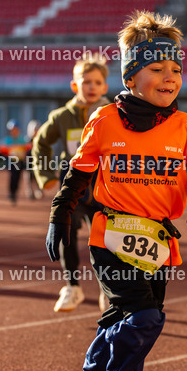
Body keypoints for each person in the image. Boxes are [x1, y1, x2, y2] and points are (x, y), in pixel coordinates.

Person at [47, 10, 187, 371]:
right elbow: (79, 171)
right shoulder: (105, 120)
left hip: (158, 242)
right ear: (131, 73)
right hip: (110, 235)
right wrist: (61, 213)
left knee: (131, 323)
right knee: (142, 317)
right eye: (158, 69)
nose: (170, 77)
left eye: (176, 69)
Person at [32, 52, 110, 312]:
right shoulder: (61, 117)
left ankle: (107, 291)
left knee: (106, 240)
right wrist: (46, 176)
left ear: (105, 87)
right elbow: (41, 143)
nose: (92, 87)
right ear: (75, 85)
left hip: (105, 187)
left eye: (97, 82)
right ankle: (72, 287)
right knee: (66, 231)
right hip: (72, 184)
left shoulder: (113, 113)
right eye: (86, 81)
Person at [0, 119, 30, 205]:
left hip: (20, 162)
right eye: (12, 130)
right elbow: (2, 150)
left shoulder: (22, 140)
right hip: (11, 162)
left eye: (15, 129)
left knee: (18, 178)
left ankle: (14, 192)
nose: (14, 131)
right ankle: (11, 193)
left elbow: (28, 148)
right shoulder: (8, 140)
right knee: (12, 177)